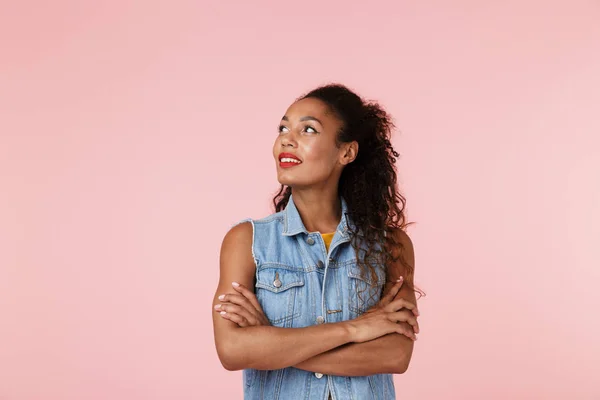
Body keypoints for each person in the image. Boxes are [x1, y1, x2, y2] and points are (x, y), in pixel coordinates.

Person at [212, 83, 423, 399]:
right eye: (283, 128)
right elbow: (232, 350)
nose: (286, 138)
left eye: (308, 129)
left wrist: (271, 342)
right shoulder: (247, 242)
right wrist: (354, 330)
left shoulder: (390, 246)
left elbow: (395, 355)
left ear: (346, 152)